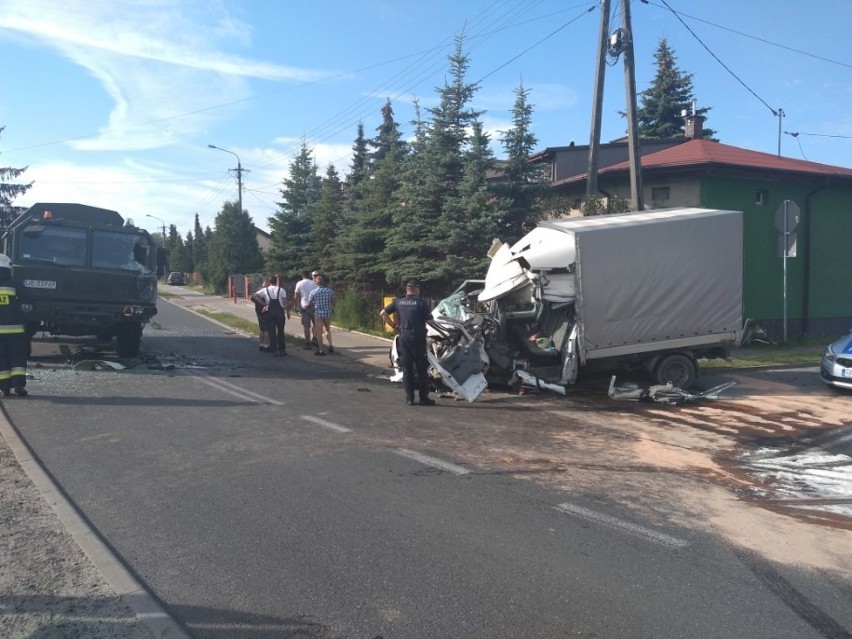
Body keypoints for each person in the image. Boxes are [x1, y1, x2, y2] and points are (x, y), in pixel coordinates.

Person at [380, 278, 435, 406]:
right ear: (416, 289)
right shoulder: (421, 303)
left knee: (407, 369)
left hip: (403, 337)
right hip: (417, 338)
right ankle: (423, 398)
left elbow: (383, 313)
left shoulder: (398, 301)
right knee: (422, 369)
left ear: (407, 289)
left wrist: (394, 326)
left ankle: (409, 398)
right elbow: (430, 321)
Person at [0, 255, 29, 397]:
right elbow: (28, 302)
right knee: (18, 357)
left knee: (1, 358)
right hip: (16, 330)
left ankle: (4, 388)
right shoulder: (16, 283)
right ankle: (18, 385)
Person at [250, 275, 290, 356]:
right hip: (279, 312)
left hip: (270, 312)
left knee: (272, 332)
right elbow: (285, 303)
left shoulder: (265, 290)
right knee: (281, 332)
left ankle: (273, 350)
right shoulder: (281, 290)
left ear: (270, 281)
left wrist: (263, 303)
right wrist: (288, 312)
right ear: (276, 281)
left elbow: (254, 296)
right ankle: (282, 350)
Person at [306, 273, 334, 356]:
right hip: (327, 313)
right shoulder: (330, 291)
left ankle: (321, 350)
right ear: (324, 282)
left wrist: (307, 306)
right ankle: (331, 345)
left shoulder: (314, 292)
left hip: (318, 313)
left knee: (319, 332)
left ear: (316, 283)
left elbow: (309, 303)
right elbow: (333, 301)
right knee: (327, 329)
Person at [293, 270, 318, 349]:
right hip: (314, 306)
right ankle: (315, 338)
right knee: (316, 324)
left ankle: (307, 343)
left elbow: (296, 295)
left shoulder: (299, 283)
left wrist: (296, 306)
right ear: (309, 275)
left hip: (304, 307)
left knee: (306, 326)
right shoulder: (314, 283)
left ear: (302, 275)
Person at [253, 275, 271, 351]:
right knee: (267, 329)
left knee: (261, 329)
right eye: (269, 283)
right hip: (265, 312)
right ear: (267, 283)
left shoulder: (258, 291)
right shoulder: (265, 292)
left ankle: (261, 345)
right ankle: (266, 345)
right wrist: (264, 304)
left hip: (259, 312)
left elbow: (252, 298)